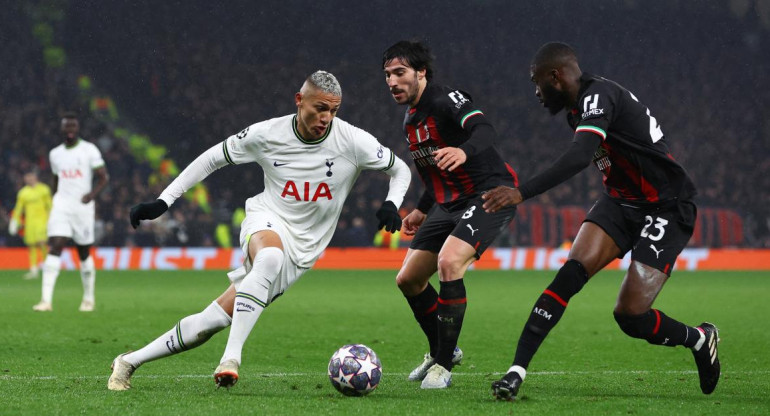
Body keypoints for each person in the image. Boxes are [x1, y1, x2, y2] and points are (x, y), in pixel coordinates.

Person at [107, 70, 411, 391]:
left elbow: (400, 169)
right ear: (299, 100)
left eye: (333, 111)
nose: (326, 117)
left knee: (209, 322)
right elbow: (212, 158)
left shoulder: (352, 140)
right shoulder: (267, 134)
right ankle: (231, 359)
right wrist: (164, 200)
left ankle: (128, 361)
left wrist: (393, 202)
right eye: (320, 108)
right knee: (268, 258)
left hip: (304, 249)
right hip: (266, 218)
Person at [482, 42, 720, 400]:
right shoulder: (576, 110)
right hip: (620, 203)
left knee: (630, 316)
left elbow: (580, 155)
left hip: (666, 206)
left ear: (555, 76)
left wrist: (522, 191)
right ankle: (516, 372)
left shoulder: (599, 96)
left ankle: (699, 338)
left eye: (536, 82)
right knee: (569, 275)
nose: (535, 92)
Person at [382, 40, 519, 389]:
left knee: (449, 262)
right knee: (408, 279)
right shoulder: (410, 121)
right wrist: (421, 210)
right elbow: (436, 173)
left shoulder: (446, 100)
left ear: (421, 72)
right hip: (450, 202)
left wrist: (463, 149)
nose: (393, 81)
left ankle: (442, 366)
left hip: (490, 194)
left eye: (400, 73)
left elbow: (485, 130)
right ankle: (443, 349)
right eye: (387, 75)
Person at [34, 113, 109, 312]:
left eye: (73, 127)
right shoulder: (55, 154)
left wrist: (91, 195)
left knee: (83, 252)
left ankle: (88, 299)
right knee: (56, 245)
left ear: (78, 128)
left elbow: (103, 177)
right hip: (62, 206)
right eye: (67, 127)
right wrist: (55, 197)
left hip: (82, 208)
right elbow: (56, 179)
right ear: (62, 129)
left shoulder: (89, 150)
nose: (70, 130)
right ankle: (45, 301)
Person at [8, 171, 52, 279]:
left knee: (42, 243)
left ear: (35, 177)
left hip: (42, 221)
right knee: (31, 245)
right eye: (26, 178)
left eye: (30, 177)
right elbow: (19, 208)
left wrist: (52, 220)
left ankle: (48, 267)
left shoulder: (44, 189)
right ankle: (34, 270)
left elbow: (50, 205)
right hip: (30, 223)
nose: (28, 179)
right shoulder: (23, 192)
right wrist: (15, 220)